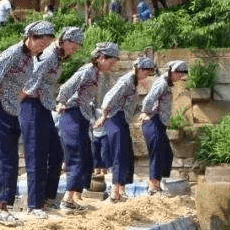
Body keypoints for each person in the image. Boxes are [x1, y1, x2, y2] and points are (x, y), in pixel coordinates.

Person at [0, 21, 54, 223]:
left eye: (45, 45)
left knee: (11, 162)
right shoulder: (13, 53)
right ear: (30, 36)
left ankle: (4, 207)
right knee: (1, 161)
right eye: (40, 43)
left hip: (10, 111)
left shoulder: (29, 59)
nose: (41, 48)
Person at [20, 26, 84, 216]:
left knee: (55, 153)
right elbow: (31, 80)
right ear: (66, 41)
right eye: (75, 46)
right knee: (36, 156)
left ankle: (47, 199)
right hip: (31, 105)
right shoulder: (48, 56)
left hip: (44, 107)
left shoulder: (57, 57)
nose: (76, 50)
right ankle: (34, 205)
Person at [55, 42, 120, 211]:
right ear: (100, 58)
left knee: (85, 156)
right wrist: (62, 102)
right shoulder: (87, 70)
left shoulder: (96, 73)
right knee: (76, 155)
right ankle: (67, 199)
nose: (112, 67)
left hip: (82, 116)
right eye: (111, 63)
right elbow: (67, 86)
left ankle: (75, 196)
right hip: (72, 114)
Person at [97, 55, 155, 203]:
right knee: (119, 155)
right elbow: (109, 98)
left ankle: (121, 190)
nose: (147, 76)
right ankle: (115, 193)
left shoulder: (133, 82)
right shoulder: (126, 81)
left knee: (126, 155)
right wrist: (104, 116)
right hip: (115, 119)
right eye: (146, 72)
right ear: (139, 69)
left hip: (121, 120)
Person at [140, 60, 188, 195]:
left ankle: (159, 183)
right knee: (158, 153)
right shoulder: (161, 83)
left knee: (167, 153)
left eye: (183, 73)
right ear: (172, 72)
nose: (180, 76)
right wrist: (146, 112)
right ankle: (153, 187)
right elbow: (148, 99)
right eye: (179, 73)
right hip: (153, 121)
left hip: (159, 123)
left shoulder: (165, 83)